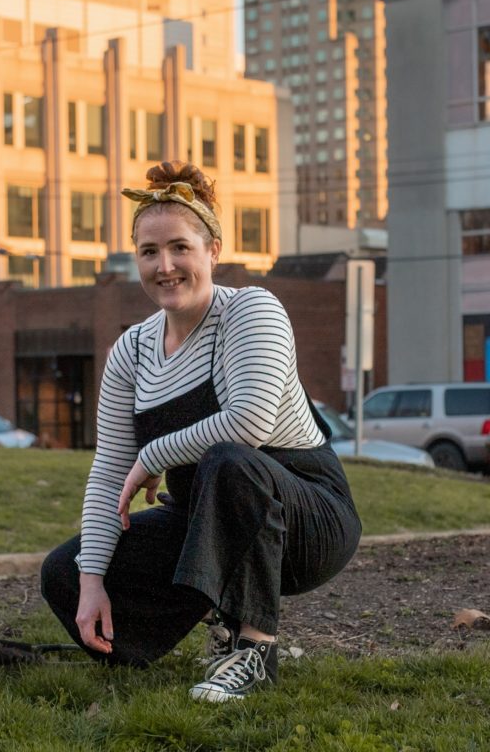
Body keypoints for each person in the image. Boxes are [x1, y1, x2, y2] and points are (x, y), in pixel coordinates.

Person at [41, 161, 361, 703]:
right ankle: (176, 634)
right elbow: (109, 470)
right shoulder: (132, 351)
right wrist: (92, 581)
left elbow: (250, 423)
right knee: (63, 571)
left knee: (230, 461)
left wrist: (154, 456)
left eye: (180, 248)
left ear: (212, 249)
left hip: (306, 519)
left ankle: (252, 651)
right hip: (203, 521)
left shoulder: (253, 311)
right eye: (149, 252)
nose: (165, 266)